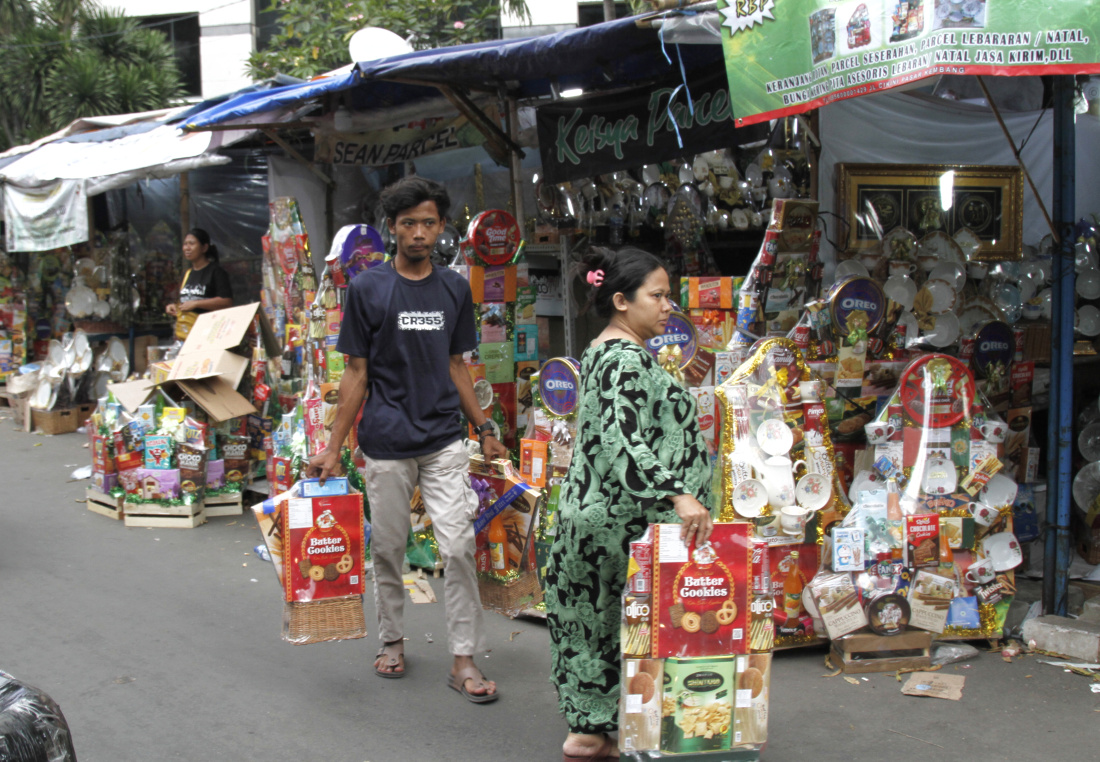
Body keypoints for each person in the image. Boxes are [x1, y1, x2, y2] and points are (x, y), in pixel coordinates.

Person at [307, 176, 507, 703]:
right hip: (386, 441)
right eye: (408, 223)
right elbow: (355, 375)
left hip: (443, 437)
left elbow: (458, 367)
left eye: (428, 223)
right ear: (392, 229)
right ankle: (392, 638)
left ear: (442, 227)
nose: (419, 233)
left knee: (459, 546)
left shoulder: (453, 287)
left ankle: (463, 657)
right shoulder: (369, 288)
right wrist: (333, 446)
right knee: (391, 547)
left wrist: (485, 429)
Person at [544, 247, 714, 762]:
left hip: (598, 517)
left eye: (670, 295)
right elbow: (623, 438)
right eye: (657, 295)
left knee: (593, 623)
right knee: (621, 622)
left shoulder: (605, 350)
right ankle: (610, 733)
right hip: (620, 523)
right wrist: (680, 494)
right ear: (621, 300)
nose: (668, 306)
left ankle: (593, 731)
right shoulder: (624, 359)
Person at [165, 228, 233, 336]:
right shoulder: (187, 274)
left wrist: (196, 304)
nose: (187, 248)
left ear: (204, 248)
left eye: (191, 244)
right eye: (185, 244)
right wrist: (174, 307)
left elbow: (226, 301)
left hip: (207, 335)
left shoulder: (216, 272)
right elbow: (185, 301)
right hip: (185, 336)